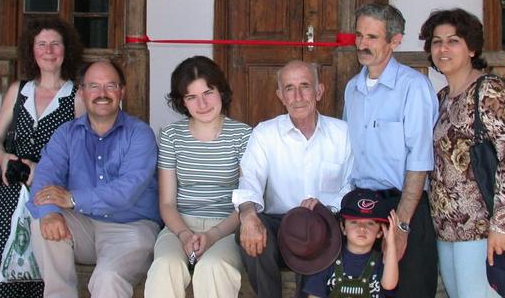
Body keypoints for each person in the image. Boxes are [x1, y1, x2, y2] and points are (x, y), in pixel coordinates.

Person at [419, 8, 505, 298]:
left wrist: (502, 225)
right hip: (449, 229)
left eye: (453, 40)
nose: (442, 48)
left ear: (472, 48)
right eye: (436, 41)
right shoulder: (442, 98)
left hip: (484, 227)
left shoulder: (488, 90)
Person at [27, 60, 161, 298]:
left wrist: (72, 198)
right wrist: (49, 212)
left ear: (122, 91)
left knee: (107, 278)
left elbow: (126, 191)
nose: (102, 94)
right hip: (83, 225)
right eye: (93, 86)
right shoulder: (66, 133)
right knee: (43, 221)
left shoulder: (139, 134)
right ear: (81, 92)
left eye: (111, 86)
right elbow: (45, 176)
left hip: (131, 228)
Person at [0, 16, 84, 298]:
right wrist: (2, 158)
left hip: (49, 190)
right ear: (31, 50)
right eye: (41, 44)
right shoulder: (18, 90)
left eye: (55, 44)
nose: (48, 51)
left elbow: (83, 152)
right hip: (12, 189)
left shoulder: (76, 96)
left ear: (66, 50)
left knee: (42, 270)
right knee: (1, 269)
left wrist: (43, 169)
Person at [232, 60, 353, 297]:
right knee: (251, 231)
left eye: (305, 86)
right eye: (289, 88)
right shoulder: (265, 133)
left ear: (319, 91)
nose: (297, 96)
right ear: (280, 95)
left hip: (325, 221)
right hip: (280, 223)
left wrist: (324, 207)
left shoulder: (343, 133)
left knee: (316, 233)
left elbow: (352, 184)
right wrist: (247, 215)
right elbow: (250, 179)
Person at [342, 3, 438, 298]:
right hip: (360, 210)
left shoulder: (414, 87)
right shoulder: (352, 88)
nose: (362, 44)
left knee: (409, 291)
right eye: (359, 35)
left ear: (395, 41)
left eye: (372, 37)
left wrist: (403, 226)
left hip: (402, 208)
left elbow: (419, 161)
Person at [144, 56, 252, 297]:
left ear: (221, 91)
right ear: (182, 102)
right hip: (179, 225)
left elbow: (247, 200)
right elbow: (167, 202)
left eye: (208, 93)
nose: (202, 104)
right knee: (164, 267)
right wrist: (184, 234)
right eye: (191, 97)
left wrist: (213, 234)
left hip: (227, 227)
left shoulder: (243, 135)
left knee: (213, 268)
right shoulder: (171, 135)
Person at [303, 189, 399, 298]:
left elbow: (389, 285)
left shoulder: (382, 261)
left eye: (370, 223)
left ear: (380, 231)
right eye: (354, 222)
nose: (362, 228)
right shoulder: (328, 260)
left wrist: (391, 243)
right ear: (343, 227)